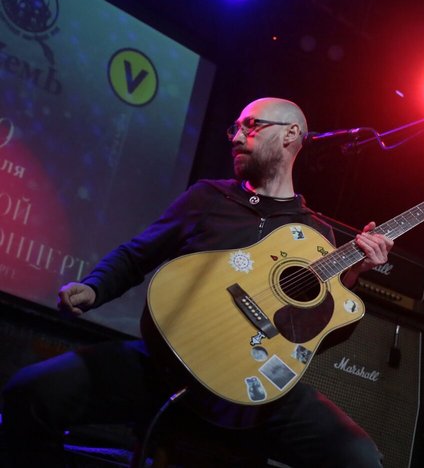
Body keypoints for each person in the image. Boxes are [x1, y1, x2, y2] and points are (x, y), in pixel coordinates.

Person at [2, 97, 393, 467]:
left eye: (251, 126)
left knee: (359, 458)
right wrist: (95, 286)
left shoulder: (315, 234)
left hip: (251, 391)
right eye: (235, 128)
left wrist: (351, 278)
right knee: (31, 392)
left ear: (290, 134)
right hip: (167, 365)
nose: (237, 137)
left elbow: (309, 334)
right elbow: (138, 255)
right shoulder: (208, 198)